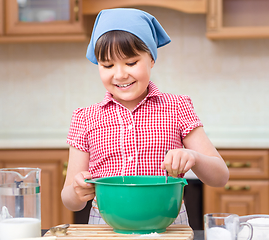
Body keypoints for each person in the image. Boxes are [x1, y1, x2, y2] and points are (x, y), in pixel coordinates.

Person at [61, 8, 229, 225]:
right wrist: (76, 191)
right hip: (106, 228)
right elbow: (68, 200)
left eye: (131, 63)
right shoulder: (85, 118)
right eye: (108, 65)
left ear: (151, 59)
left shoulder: (177, 107)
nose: (120, 74)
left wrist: (193, 157)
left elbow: (220, 177)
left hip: (168, 225)